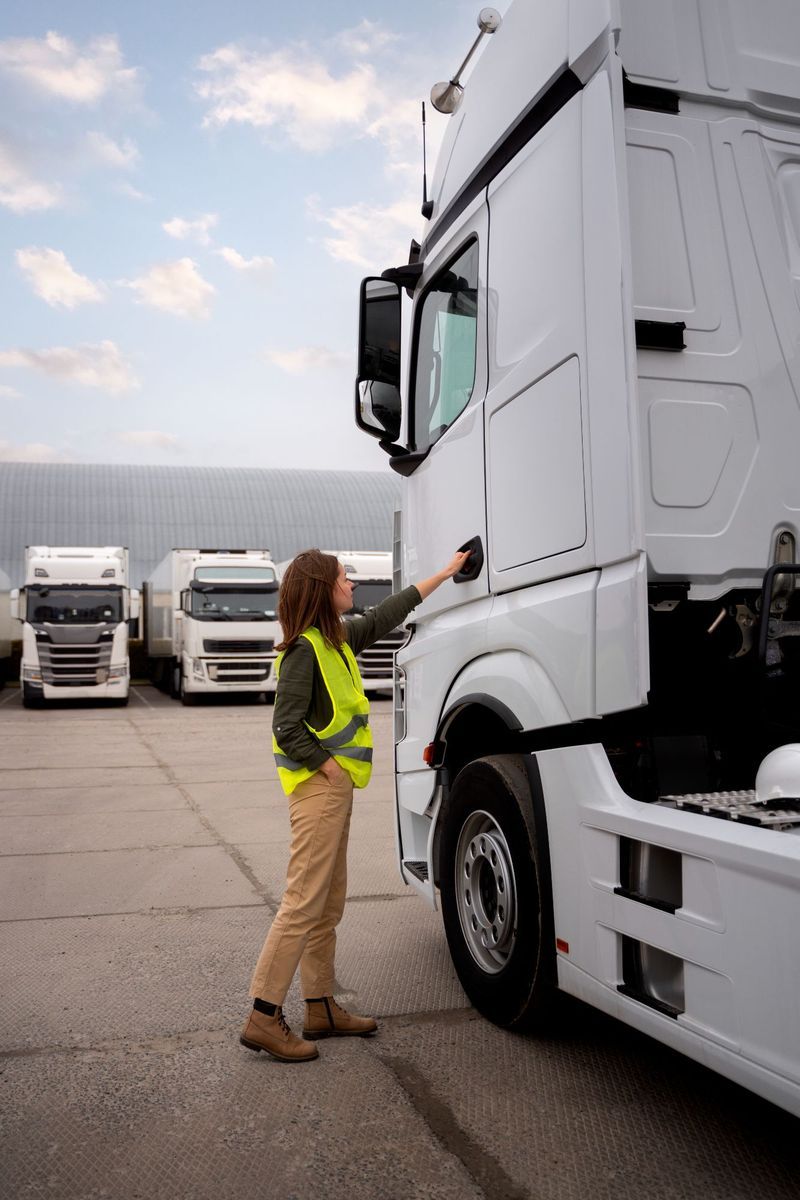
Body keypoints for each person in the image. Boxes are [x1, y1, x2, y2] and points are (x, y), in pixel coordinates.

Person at [241, 545, 471, 1062]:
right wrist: (326, 766)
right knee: (303, 902)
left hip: (334, 789)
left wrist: (447, 572)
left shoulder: (336, 640)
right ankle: (263, 1015)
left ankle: (320, 1007)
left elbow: (391, 611)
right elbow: (286, 723)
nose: (352, 586)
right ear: (324, 589)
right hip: (319, 789)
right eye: (345, 579)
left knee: (327, 902)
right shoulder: (305, 650)